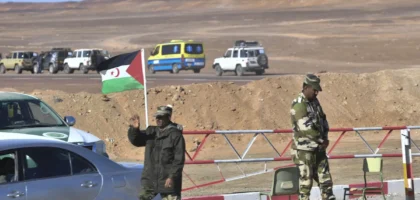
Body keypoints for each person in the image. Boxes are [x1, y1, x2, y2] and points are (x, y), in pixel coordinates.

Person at [290, 74, 335, 200]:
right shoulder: (299, 105)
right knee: (306, 184)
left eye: (317, 90)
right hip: (305, 152)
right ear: (306, 87)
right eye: (314, 90)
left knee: (326, 182)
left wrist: (325, 136)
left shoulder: (314, 102)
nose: (316, 93)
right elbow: (305, 129)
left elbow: (323, 119)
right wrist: (321, 140)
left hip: (319, 150)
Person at [128, 105, 186, 200]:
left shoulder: (175, 135)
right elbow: (136, 141)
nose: (158, 119)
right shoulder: (151, 132)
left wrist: (172, 176)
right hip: (150, 180)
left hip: (167, 181)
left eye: (161, 117)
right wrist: (135, 129)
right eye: (157, 117)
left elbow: (179, 160)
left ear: (168, 117)